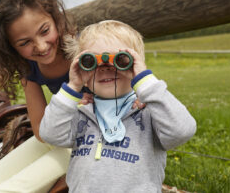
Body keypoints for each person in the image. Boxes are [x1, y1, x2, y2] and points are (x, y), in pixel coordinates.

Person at [0, 0, 143, 192]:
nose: (40, 46)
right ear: (10, 47)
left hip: (106, 136)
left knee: (65, 154)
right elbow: (41, 131)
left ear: (55, 19)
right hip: (66, 131)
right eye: (24, 43)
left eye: (45, 31)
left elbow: (129, 85)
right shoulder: (29, 69)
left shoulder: (85, 49)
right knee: (39, 146)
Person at [39, 20, 197, 192]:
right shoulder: (81, 113)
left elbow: (182, 130)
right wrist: (72, 88)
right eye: (91, 61)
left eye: (120, 60)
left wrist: (146, 83)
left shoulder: (150, 112)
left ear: (136, 65)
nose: (105, 68)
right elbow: (50, 134)